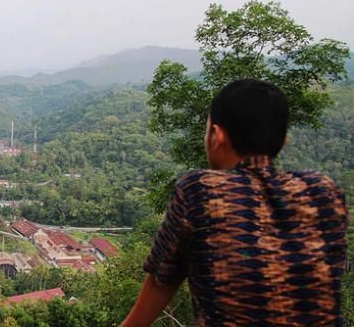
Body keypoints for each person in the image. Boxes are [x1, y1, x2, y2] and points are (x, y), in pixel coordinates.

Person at [122, 79, 348, 326]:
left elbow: (160, 280)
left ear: (216, 136)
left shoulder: (201, 191)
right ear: (283, 143)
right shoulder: (324, 192)